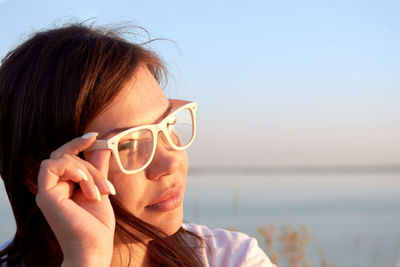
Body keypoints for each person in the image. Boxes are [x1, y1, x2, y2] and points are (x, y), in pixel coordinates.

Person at [0, 22, 276, 267]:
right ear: (38, 177)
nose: (171, 161)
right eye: (128, 144)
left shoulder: (228, 258)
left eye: (168, 125)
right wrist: (87, 258)